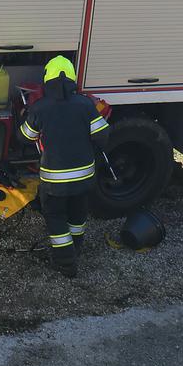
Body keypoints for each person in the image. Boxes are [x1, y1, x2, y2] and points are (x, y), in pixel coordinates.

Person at [19, 56, 110, 278]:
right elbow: (103, 135)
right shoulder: (86, 105)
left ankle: (66, 263)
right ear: (72, 78)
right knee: (77, 215)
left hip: (55, 182)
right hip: (84, 178)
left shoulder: (41, 108)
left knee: (56, 217)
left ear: (47, 79)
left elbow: (25, 137)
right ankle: (75, 249)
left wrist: (26, 117)